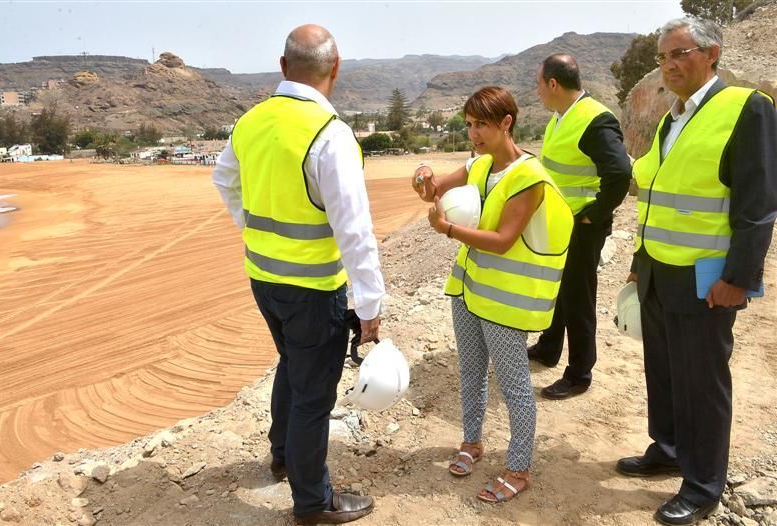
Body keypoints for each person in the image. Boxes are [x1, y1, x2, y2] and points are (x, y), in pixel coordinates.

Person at [212, 24, 384, 525]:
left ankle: (284, 455)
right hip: (311, 288)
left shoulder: (251, 121)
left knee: (291, 364)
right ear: (336, 68)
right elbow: (355, 231)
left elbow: (223, 178)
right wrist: (370, 307)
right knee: (314, 394)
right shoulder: (330, 135)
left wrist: (253, 226)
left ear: (283, 67)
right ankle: (313, 501)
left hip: (263, 277)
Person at [616, 17, 776, 526]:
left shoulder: (745, 108)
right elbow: (657, 199)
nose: (669, 65)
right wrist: (639, 266)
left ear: (712, 53)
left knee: (702, 381)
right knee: (663, 371)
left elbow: (758, 204)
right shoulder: (671, 118)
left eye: (680, 53)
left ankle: (703, 484)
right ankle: (666, 448)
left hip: (708, 276)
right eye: (663, 57)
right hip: (660, 271)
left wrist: (739, 278)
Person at [412, 86, 574, 503]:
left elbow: (502, 240)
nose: (474, 133)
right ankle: (472, 442)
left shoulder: (528, 177)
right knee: (470, 371)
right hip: (468, 289)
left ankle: (518, 469)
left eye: (482, 123)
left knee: (514, 384)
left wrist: (447, 230)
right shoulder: (480, 166)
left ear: (507, 122)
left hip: (505, 300)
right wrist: (425, 177)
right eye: (469, 124)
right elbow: (434, 191)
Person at [527, 54, 632, 399]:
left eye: (539, 83)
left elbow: (618, 173)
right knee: (558, 289)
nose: (538, 90)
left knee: (578, 297)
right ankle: (549, 348)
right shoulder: (560, 116)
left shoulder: (594, 119)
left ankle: (579, 373)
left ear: (553, 84)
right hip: (560, 223)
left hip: (582, 226)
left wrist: (596, 214)